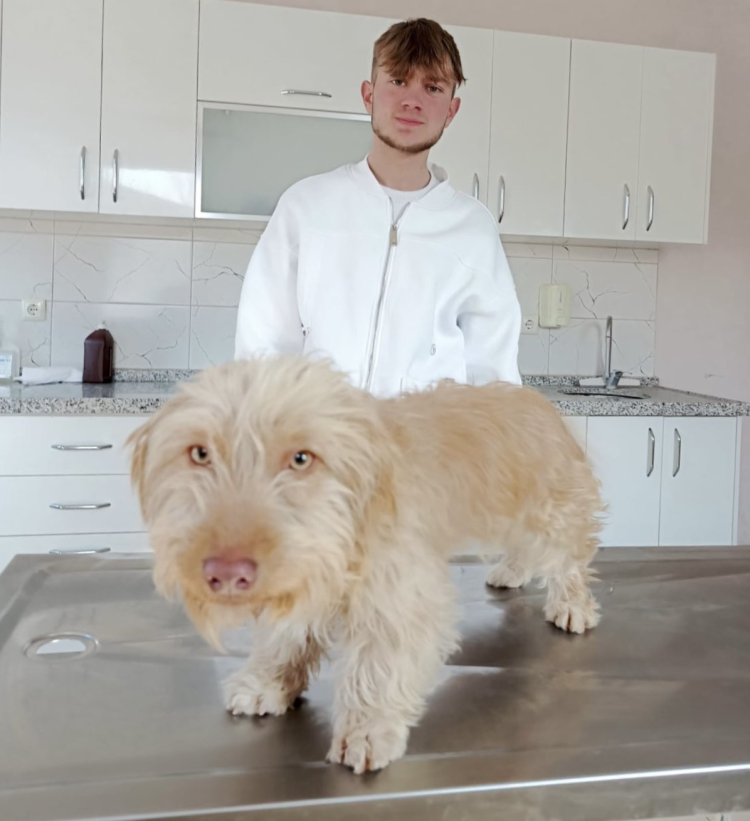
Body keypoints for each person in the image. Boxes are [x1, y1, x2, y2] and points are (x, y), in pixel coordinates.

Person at [234, 17, 522, 397]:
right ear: (368, 95)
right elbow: (263, 347)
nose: (412, 101)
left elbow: (495, 375)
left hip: (428, 433)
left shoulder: (473, 229)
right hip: (322, 429)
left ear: (451, 111)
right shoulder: (305, 207)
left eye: (432, 87)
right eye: (398, 81)